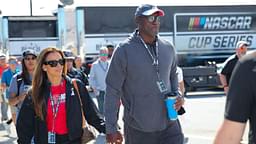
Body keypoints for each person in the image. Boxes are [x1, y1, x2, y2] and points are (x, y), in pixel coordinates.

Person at [105, 4, 184, 144]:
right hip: (139, 129)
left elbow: (173, 75)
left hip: (170, 126)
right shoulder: (124, 50)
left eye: (158, 18)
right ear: (138, 20)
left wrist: (178, 95)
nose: (156, 22)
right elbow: (112, 90)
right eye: (151, 18)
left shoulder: (167, 47)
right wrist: (111, 127)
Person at [16, 47, 105, 143]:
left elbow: (93, 115)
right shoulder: (35, 92)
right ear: (44, 67)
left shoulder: (76, 86)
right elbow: (24, 125)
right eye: (53, 63)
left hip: (73, 140)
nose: (59, 65)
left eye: (61, 61)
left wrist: (110, 131)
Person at [214, 51, 256, 144]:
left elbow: (230, 137)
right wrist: (225, 86)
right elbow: (222, 73)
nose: (243, 50)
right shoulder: (246, 65)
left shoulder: (250, 65)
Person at [8, 50, 37, 123]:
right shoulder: (16, 78)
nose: (30, 60)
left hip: (40, 118)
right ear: (23, 61)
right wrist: (19, 98)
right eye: (27, 58)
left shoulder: (44, 77)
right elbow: (11, 102)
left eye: (33, 58)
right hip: (23, 118)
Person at [89, 47, 109, 115]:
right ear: (99, 54)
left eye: (105, 54)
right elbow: (91, 78)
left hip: (109, 91)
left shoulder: (110, 64)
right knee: (102, 110)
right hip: (100, 91)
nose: (104, 55)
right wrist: (95, 89)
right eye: (102, 54)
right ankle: (104, 124)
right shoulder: (95, 65)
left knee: (110, 109)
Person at [1, 56, 19, 125]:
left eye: (15, 62)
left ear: (17, 63)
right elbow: (3, 85)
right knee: (14, 112)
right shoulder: (5, 73)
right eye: (11, 62)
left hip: (20, 95)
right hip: (11, 96)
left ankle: (9, 123)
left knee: (19, 112)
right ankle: (16, 127)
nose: (13, 64)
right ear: (8, 63)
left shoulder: (20, 72)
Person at [0, 53, 9, 122]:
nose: (2, 61)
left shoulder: (9, 67)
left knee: (6, 103)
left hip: (8, 87)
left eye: (3, 59)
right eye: (1, 60)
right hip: (1, 88)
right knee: (3, 103)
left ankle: (5, 117)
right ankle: (4, 117)